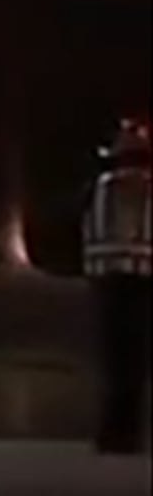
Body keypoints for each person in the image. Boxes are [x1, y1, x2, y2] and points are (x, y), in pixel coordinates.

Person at [86, 116, 153, 457]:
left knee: (115, 361)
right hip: (141, 280)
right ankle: (130, 434)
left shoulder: (100, 186)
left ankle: (112, 433)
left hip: (108, 280)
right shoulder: (145, 187)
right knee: (135, 363)